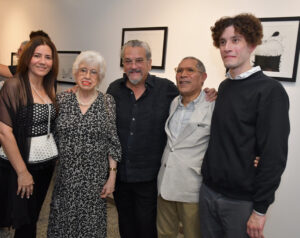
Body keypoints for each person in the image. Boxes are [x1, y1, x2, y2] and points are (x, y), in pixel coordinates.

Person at [199, 13, 290, 238]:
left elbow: (274, 155)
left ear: (252, 44)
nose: (227, 47)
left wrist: (260, 209)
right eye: (222, 42)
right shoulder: (225, 86)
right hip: (208, 192)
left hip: (241, 201)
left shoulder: (270, 91)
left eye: (235, 40)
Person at [47, 51, 122, 238]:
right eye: (83, 70)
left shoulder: (107, 102)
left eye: (93, 72)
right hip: (65, 179)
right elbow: (51, 137)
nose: (87, 76)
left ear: (100, 77)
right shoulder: (61, 100)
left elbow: (112, 141)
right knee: (62, 226)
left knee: (91, 229)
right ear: (75, 73)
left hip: (94, 181)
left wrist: (112, 177)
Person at [0, 36, 59, 238]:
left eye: (48, 57)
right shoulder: (14, 86)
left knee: (31, 218)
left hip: (45, 165)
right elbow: (4, 132)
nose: (43, 61)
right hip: (19, 165)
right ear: (27, 58)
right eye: (37, 56)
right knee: (21, 220)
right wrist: (22, 172)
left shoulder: (49, 85)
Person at [157, 57, 214, 238]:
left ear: (203, 76)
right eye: (179, 70)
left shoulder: (213, 105)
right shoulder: (174, 103)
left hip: (192, 187)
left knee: (194, 234)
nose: (182, 75)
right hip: (165, 183)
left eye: (190, 70)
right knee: (164, 233)